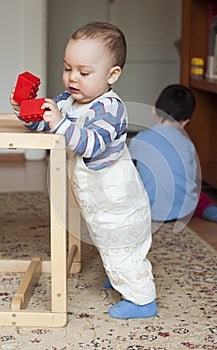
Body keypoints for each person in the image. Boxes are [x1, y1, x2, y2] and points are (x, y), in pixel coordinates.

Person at [10, 22, 157, 319]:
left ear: (112, 75)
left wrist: (61, 123)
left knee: (122, 249)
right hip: (98, 202)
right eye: (67, 68)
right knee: (110, 246)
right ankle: (123, 279)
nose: (72, 78)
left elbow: (89, 143)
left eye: (84, 72)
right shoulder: (68, 101)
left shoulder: (110, 109)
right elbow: (45, 124)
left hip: (119, 203)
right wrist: (25, 109)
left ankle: (143, 300)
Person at [129, 84, 217, 225]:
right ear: (185, 122)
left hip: (149, 211)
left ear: (154, 109)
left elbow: (132, 173)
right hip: (184, 211)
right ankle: (215, 213)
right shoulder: (187, 144)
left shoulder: (139, 139)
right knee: (198, 196)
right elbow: (191, 179)